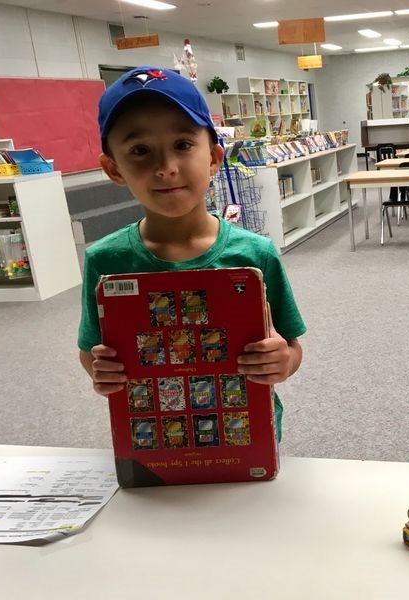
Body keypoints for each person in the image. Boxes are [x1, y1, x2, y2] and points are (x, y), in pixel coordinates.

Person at [78, 66, 305, 440]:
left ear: (214, 157)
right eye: (140, 151)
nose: (166, 168)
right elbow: (91, 350)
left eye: (183, 145)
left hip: (246, 432)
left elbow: (292, 347)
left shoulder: (255, 254)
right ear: (113, 169)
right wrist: (100, 372)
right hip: (154, 437)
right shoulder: (105, 260)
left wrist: (283, 361)